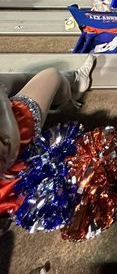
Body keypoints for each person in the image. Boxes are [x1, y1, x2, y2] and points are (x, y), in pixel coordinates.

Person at [0, 59, 95, 213]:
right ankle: (74, 87)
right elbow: (9, 145)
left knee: (7, 82)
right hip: (12, 154)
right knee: (52, 75)